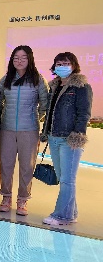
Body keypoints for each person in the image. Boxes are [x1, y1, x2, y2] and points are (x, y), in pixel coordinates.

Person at [40, 52, 92, 226]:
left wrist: (77, 136)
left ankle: (62, 216)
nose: (62, 66)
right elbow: (50, 112)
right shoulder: (54, 86)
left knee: (67, 180)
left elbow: (83, 114)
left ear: (74, 65)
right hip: (54, 137)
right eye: (59, 63)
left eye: (66, 63)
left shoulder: (81, 87)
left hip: (69, 139)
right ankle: (72, 213)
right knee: (63, 178)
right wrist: (45, 132)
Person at [0, 46, 49, 216]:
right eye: (16, 57)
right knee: (6, 165)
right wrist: (2, 117)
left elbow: (45, 104)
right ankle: (6, 197)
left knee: (27, 166)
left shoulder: (38, 80)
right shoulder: (6, 79)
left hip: (29, 130)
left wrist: (35, 118)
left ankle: (22, 200)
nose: (19, 61)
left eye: (23, 57)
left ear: (30, 59)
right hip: (7, 128)